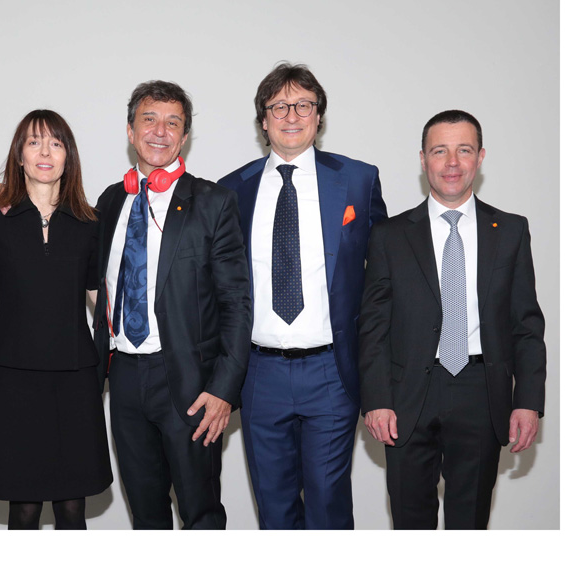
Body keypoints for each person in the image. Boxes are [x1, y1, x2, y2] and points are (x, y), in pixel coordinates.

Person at [218, 62, 387, 529]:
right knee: (274, 510)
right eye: (279, 107)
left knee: (328, 508)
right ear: (263, 120)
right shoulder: (232, 190)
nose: (291, 116)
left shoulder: (358, 180)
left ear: (319, 116)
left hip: (331, 371)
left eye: (304, 105)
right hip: (259, 374)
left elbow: (385, 277)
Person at [358, 110, 546, 529]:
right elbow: (372, 326)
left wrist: (528, 401)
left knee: (470, 525)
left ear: (480, 157)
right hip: (407, 396)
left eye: (464, 150)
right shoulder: (389, 235)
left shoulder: (511, 230)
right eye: (440, 151)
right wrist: (376, 399)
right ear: (423, 159)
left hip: (482, 393)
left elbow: (527, 326)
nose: (452, 163)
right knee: (410, 523)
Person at [93, 80, 252, 529]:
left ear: (184, 137)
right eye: (149, 119)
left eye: (173, 123)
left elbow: (237, 303)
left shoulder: (214, 202)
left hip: (189, 382)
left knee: (201, 515)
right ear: (130, 130)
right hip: (123, 377)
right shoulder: (110, 201)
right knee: (146, 516)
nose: (160, 131)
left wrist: (224, 389)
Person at [0, 110, 112, 529]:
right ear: (19, 155)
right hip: (15, 375)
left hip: (75, 375)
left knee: (72, 505)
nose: (45, 152)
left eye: (56, 144)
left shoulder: (90, 221)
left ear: (67, 157)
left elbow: (100, 297)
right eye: (34, 142)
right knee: (23, 507)